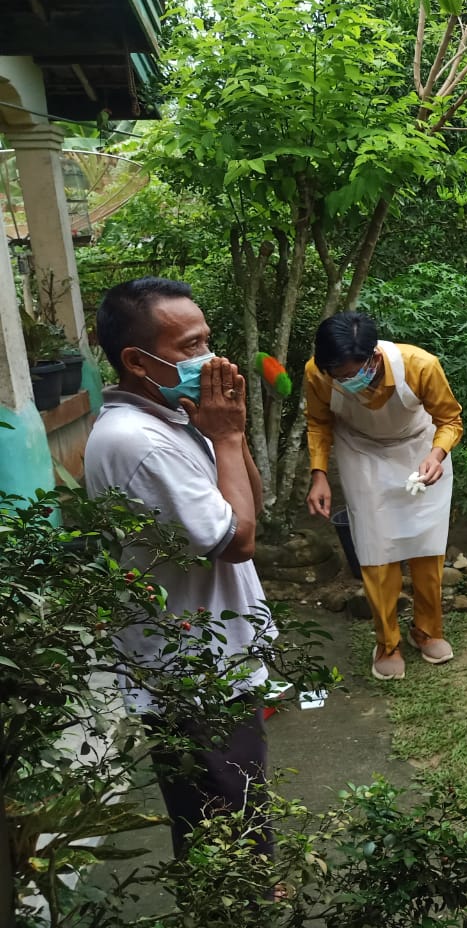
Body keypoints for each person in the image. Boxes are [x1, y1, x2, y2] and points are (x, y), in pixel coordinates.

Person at [84, 277, 273, 859]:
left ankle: (248, 893)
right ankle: (239, 905)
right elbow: (238, 539)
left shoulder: (177, 420)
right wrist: (231, 431)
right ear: (138, 361)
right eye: (190, 347)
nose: (209, 359)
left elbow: (252, 504)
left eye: (207, 340)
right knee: (221, 817)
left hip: (214, 660)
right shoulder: (141, 442)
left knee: (232, 805)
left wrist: (227, 435)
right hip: (193, 673)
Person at [304, 311, 463, 681]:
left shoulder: (419, 365)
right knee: (376, 551)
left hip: (420, 449)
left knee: (428, 546)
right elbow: (319, 422)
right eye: (338, 376)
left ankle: (427, 630)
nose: (346, 381)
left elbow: (451, 420)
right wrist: (319, 474)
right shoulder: (318, 372)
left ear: (373, 356)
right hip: (362, 454)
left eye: (351, 373)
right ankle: (387, 641)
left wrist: (436, 455)